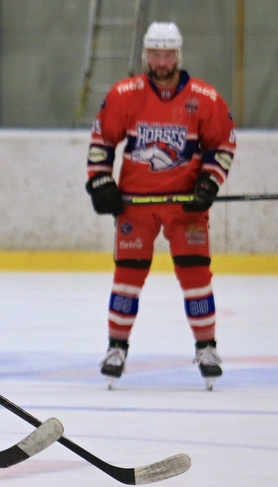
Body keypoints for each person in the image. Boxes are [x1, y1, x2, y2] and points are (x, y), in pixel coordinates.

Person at [84, 22, 236, 390]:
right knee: (128, 276)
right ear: (145, 55)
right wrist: (101, 181)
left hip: (186, 207)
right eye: (155, 53)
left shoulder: (205, 97)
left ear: (178, 55)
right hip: (135, 206)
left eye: (168, 54)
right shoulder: (125, 94)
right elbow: (102, 141)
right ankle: (116, 348)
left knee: (196, 276)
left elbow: (222, 145)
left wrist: (209, 182)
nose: (162, 61)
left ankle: (206, 348)